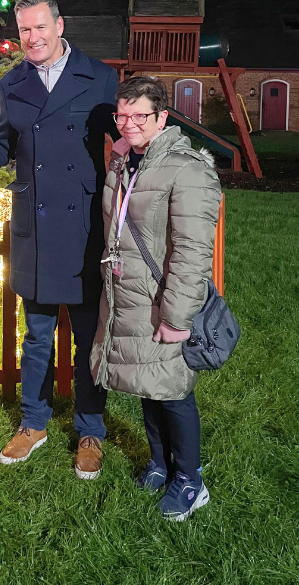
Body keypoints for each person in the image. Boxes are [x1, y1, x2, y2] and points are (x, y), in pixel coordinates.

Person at [0, 0, 118, 479]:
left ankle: (90, 429)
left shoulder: (99, 76)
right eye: (24, 29)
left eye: (40, 27)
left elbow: (123, 134)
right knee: (37, 334)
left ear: (60, 25)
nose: (32, 37)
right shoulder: (13, 82)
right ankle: (34, 423)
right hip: (35, 226)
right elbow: (5, 139)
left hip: (85, 225)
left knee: (88, 336)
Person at [90, 76, 222, 520]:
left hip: (162, 297)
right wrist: (119, 159)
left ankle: (190, 478)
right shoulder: (129, 160)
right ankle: (161, 463)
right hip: (130, 294)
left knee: (173, 391)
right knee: (149, 384)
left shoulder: (188, 169)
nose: (128, 124)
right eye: (121, 116)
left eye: (139, 116)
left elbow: (192, 252)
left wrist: (178, 315)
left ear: (162, 117)